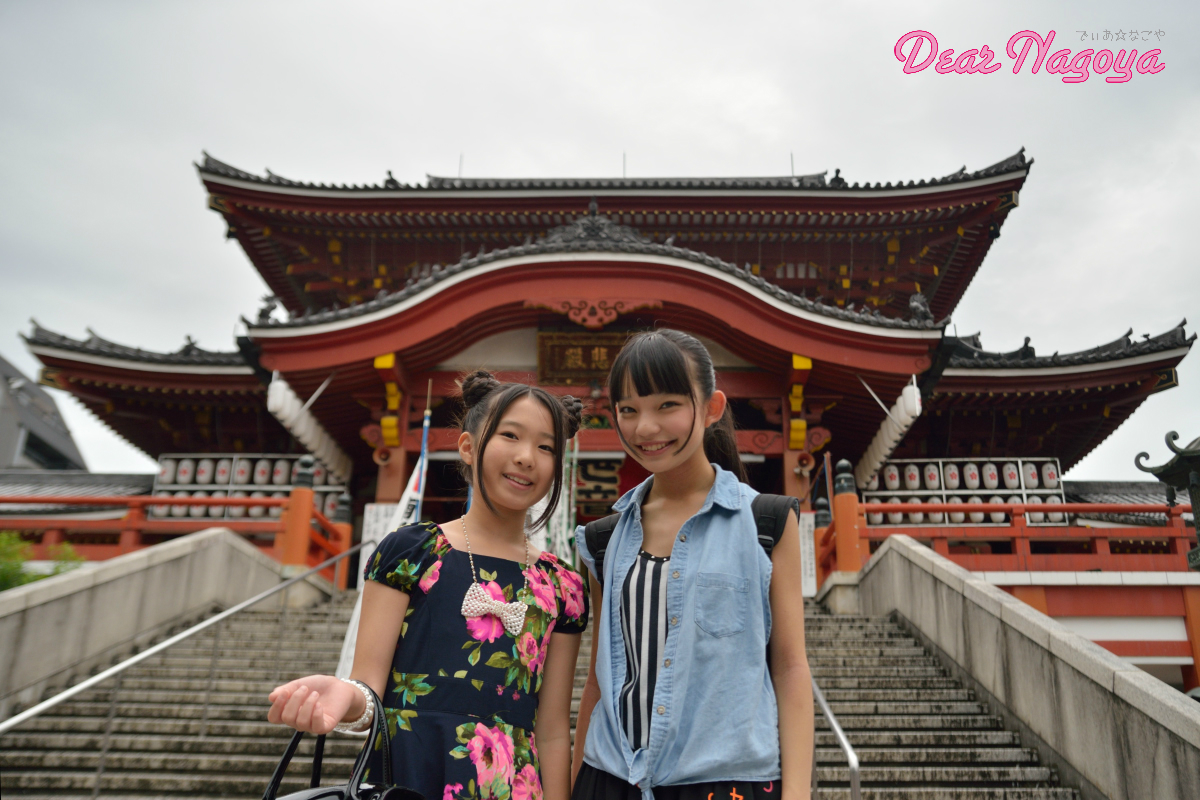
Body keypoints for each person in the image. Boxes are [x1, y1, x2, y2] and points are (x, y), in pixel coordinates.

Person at [268, 371, 590, 800]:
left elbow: (551, 731)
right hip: (409, 775)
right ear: (468, 447)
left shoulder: (562, 584)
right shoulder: (412, 552)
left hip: (514, 786)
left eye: (546, 446)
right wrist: (343, 695)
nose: (527, 457)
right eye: (510, 436)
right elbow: (369, 693)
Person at [571, 330, 814, 800]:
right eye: (628, 409)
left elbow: (789, 667)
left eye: (667, 405)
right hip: (609, 779)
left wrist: (797, 793)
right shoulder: (603, 541)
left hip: (724, 782)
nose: (645, 428)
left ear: (711, 407)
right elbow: (601, 683)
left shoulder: (766, 523)